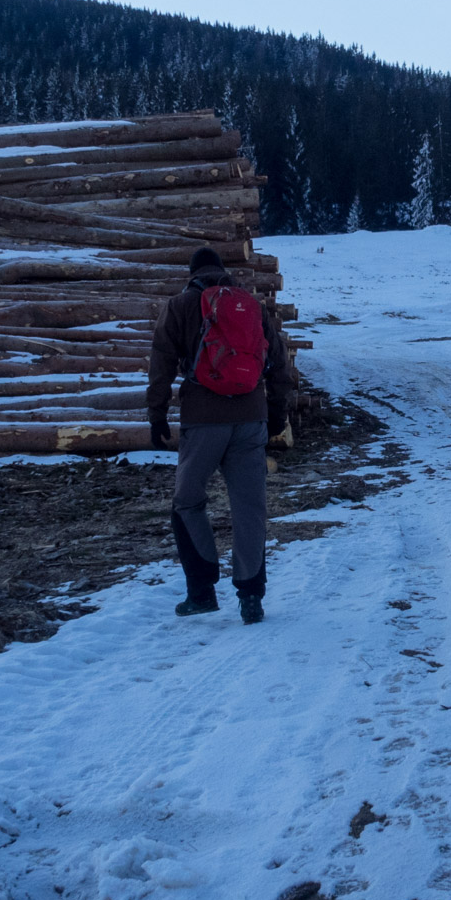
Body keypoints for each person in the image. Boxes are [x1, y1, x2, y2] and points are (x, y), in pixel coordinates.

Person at [147, 246, 292, 623]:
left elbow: (160, 362)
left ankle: (202, 591)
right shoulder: (251, 307)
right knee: (249, 508)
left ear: (192, 273)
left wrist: (156, 414)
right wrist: (276, 415)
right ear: (222, 271)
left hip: (203, 421)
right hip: (250, 418)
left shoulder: (180, 306)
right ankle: (251, 597)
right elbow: (279, 363)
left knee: (187, 501)